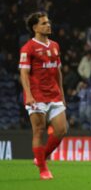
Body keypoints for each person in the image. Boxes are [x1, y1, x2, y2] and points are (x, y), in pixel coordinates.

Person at [19, 12, 68, 179]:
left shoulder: (55, 45)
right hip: (37, 95)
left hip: (54, 94)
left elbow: (58, 72)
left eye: (48, 22)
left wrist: (61, 93)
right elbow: (24, 74)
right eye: (44, 23)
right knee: (39, 131)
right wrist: (29, 95)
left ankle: (40, 158)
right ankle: (43, 169)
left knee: (61, 130)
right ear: (35, 27)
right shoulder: (28, 48)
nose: (48, 25)